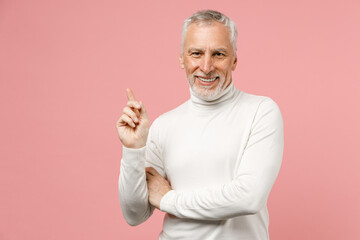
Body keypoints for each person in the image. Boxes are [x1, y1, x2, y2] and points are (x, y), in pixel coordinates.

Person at [116, 9, 284, 240]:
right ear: (181, 58)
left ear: (234, 59)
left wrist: (169, 200)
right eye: (196, 53)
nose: (206, 66)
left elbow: (249, 197)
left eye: (218, 54)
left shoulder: (261, 111)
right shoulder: (164, 125)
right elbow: (134, 214)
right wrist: (133, 150)